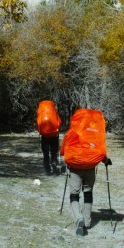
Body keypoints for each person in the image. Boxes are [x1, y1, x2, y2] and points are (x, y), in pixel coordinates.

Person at [60, 107, 110, 236]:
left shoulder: (72, 132)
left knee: (74, 194)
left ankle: (78, 219)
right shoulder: (93, 134)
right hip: (90, 167)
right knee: (88, 193)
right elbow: (100, 150)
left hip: (75, 167)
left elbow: (62, 151)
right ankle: (87, 222)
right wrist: (105, 161)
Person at [36, 100, 61, 175]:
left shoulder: (41, 111)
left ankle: (47, 169)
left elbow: (38, 123)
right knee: (54, 152)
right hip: (54, 135)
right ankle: (54, 165)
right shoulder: (54, 111)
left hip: (44, 136)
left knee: (45, 153)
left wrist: (40, 130)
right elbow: (59, 122)